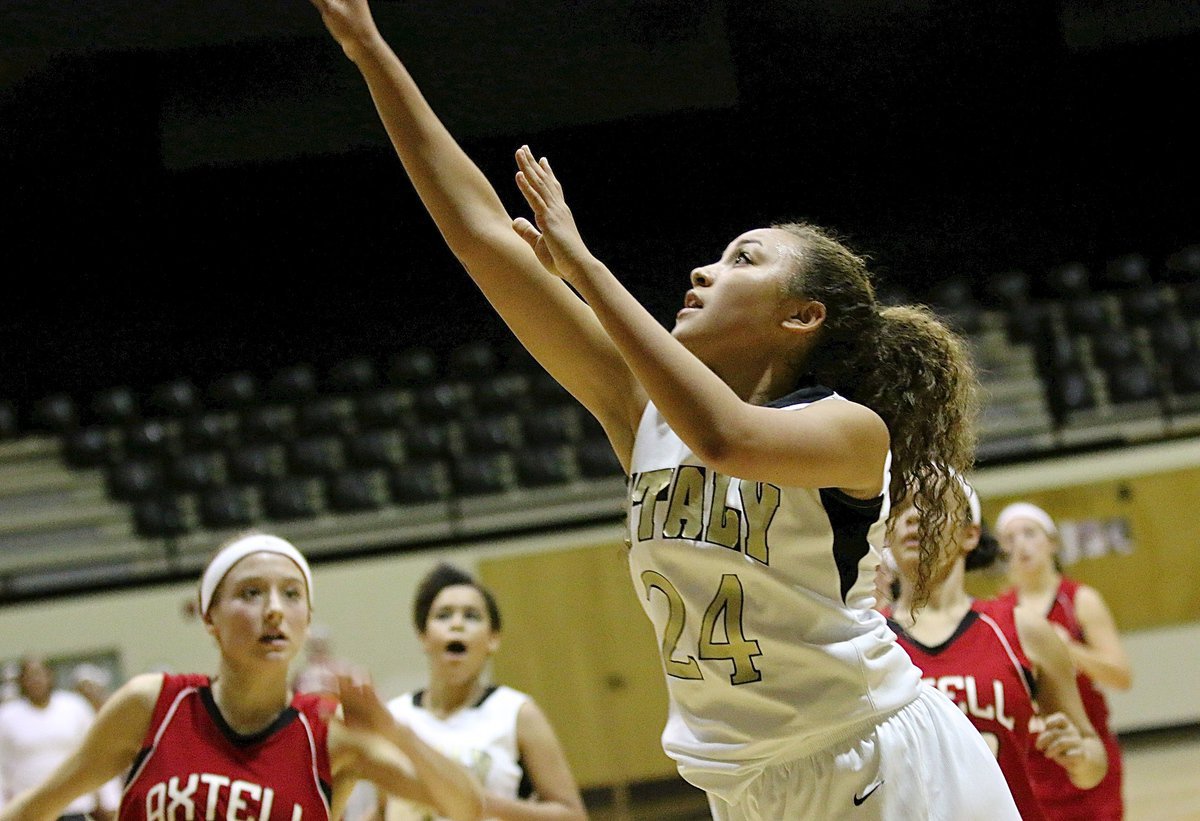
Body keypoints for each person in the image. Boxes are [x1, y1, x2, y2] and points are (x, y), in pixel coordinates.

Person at [309, 1, 1016, 816]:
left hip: (882, 760)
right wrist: (368, 49)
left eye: (742, 259)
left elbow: (725, 436)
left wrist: (582, 265)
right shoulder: (643, 411)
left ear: (802, 316)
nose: (705, 269)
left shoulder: (848, 429)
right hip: (745, 786)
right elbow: (479, 234)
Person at [0, 532, 485, 821]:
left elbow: (467, 807)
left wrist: (392, 729)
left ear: (307, 619)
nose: (274, 610)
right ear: (209, 617)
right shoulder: (155, 705)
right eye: (251, 593)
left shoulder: (329, 733)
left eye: (292, 595)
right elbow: (33, 808)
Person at [883, 478, 1108, 820]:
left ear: (969, 534)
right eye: (899, 507)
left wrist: (1079, 757)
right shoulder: (869, 638)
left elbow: (1093, 760)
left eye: (931, 505)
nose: (912, 516)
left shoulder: (1021, 628)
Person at [379, 563, 586, 821]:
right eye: (443, 615)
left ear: (493, 639)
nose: (457, 624)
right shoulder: (396, 716)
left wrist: (481, 803)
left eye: (472, 616)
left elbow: (572, 816)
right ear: (423, 635)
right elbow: (382, 809)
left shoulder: (516, 712)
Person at [994, 503, 1132, 820]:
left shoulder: (1080, 600)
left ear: (1052, 542)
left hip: (1086, 747)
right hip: (1031, 760)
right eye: (1009, 538)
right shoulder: (998, 612)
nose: (1021, 545)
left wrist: (1064, 648)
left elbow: (1122, 676)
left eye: (1030, 533)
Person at [0, 656, 111, 821]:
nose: (35, 680)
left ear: (50, 675)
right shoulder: (7, 716)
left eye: (39, 674)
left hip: (75, 804)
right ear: (21, 681)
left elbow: (96, 753)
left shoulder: (74, 706)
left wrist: (108, 799)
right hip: (30, 809)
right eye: (29, 676)